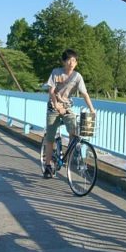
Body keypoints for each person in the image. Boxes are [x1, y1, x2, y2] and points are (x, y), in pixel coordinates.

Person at [43, 49, 95, 178]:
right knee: (50, 138)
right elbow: (51, 91)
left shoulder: (77, 76)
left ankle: (69, 156)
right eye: (69, 60)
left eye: (74, 60)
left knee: (75, 131)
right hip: (53, 107)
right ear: (64, 61)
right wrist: (56, 105)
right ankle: (48, 166)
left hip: (67, 107)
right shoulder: (56, 72)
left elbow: (85, 94)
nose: (72, 63)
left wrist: (92, 109)